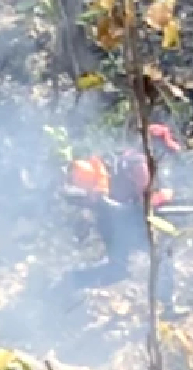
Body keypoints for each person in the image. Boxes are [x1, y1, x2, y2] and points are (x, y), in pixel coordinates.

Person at [68, 123, 182, 287]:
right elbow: (145, 201)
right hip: (126, 219)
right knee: (161, 253)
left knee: (118, 263)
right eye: (162, 149)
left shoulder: (127, 156)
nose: (164, 155)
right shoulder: (140, 164)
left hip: (110, 218)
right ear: (153, 147)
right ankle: (165, 296)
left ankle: (97, 273)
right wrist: (165, 196)